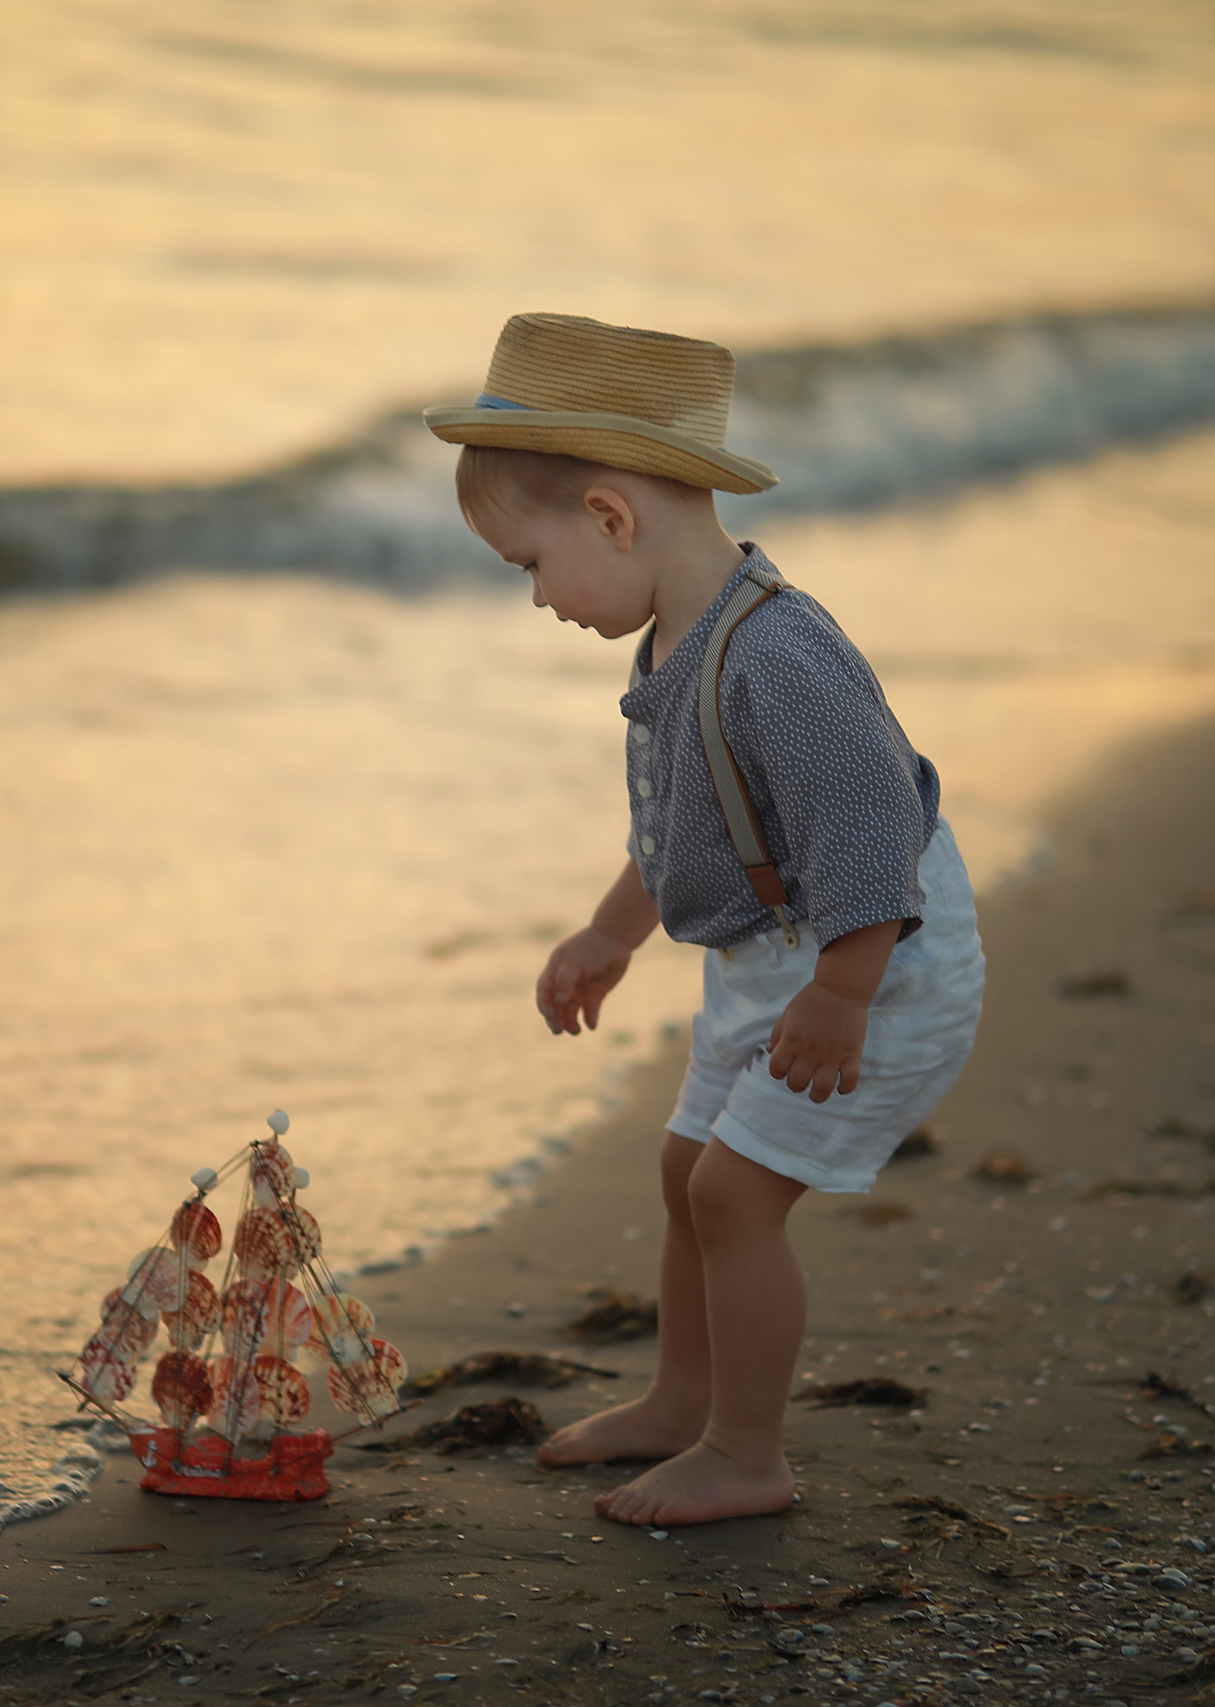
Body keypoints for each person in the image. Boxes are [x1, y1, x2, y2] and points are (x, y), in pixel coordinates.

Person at [424, 313, 986, 1526]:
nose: (535, 600)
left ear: (611, 519)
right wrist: (609, 932)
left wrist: (841, 997)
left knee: (735, 1193)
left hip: (875, 954)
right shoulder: (681, 636)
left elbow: (870, 829)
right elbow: (689, 820)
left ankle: (746, 1452)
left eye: (528, 564)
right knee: (689, 1170)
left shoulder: (775, 659)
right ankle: (681, 1406)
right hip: (779, 955)